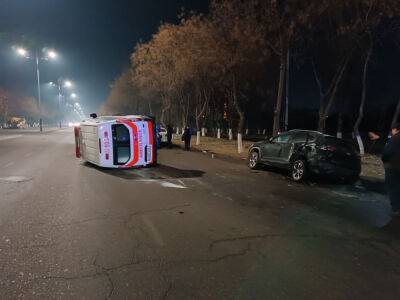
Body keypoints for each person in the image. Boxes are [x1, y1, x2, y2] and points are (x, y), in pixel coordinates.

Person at [369, 122, 400, 217]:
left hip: (393, 167)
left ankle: (396, 209)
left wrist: (384, 160)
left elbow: (387, 152)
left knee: (393, 187)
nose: (392, 132)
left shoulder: (396, 138)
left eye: (392, 130)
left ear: (395, 129)